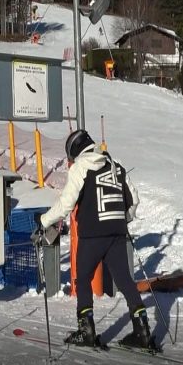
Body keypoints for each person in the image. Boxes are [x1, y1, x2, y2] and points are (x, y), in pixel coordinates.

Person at [38, 129, 153, 349]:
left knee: (83, 280)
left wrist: (43, 220)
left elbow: (66, 203)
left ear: (75, 151)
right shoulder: (115, 165)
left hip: (92, 234)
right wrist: (123, 219)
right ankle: (143, 331)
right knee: (125, 280)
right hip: (116, 232)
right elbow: (134, 198)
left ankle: (87, 331)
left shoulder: (81, 166)